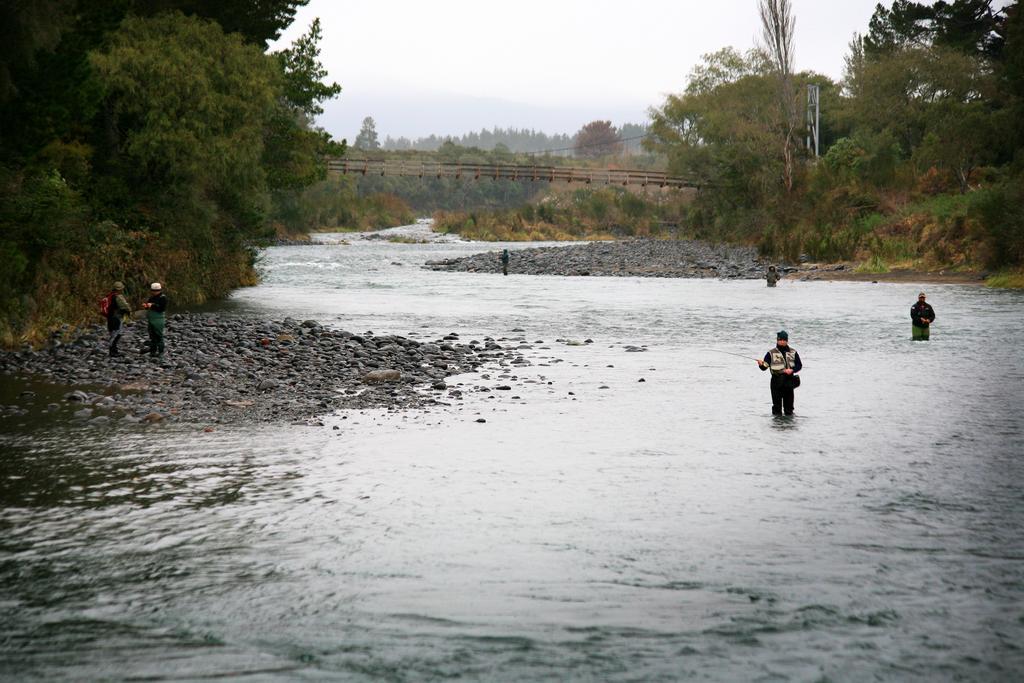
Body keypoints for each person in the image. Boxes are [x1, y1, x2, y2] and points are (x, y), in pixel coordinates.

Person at [757, 330, 802, 416]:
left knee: (789, 409)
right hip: (776, 382)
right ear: (777, 340)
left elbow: (799, 365)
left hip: (789, 382)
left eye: (784, 340)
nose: (782, 341)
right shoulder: (770, 353)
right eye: (780, 340)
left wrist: (792, 370)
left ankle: (788, 427)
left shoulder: (793, 352)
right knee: (777, 409)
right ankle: (777, 427)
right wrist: (761, 365)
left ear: (787, 340)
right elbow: (764, 367)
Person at [141, 282, 168, 357]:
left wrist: (153, 305)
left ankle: (161, 352)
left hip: (159, 319)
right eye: (153, 290)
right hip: (151, 319)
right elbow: (149, 306)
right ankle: (153, 351)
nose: (153, 292)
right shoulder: (152, 297)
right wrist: (146, 306)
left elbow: (161, 308)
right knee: (152, 335)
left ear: (159, 290)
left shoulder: (163, 298)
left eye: (155, 291)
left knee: (159, 335)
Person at [105, 281, 131, 357]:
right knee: (116, 334)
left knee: (113, 333)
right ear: (120, 289)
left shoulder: (109, 295)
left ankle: (114, 350)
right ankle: (113, 351)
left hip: (109, 317)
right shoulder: (118, 296)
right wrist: (128, 312)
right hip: (116, 317)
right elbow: (125, 307)